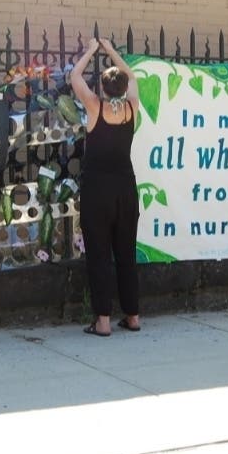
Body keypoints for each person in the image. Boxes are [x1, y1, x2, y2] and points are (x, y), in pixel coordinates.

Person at [69, 37, 142, 336]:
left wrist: (90, 51)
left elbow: (74, 76)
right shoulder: (131, 108)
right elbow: (134, 76)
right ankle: (133, 316)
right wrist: (112, 51)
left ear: (102, 88)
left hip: (98, 191)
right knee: (126, 253)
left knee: (99, 254)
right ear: (123, 88)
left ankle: (102, 322)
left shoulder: (95, 107)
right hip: (126, 188)